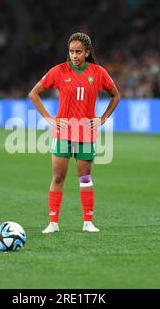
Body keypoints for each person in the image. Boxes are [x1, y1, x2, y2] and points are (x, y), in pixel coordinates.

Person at [28, 32, 121, 233]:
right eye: (71, 52)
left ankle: (88, 222)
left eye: (78, 52)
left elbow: (116, 95)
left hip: (86, 133)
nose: (74, 55)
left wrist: (102, 118)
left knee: (85, 178)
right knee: (58, 177)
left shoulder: (98, 73)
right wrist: (49, 118)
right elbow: (33, 93)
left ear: (87, 52)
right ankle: (53, 223)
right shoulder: (59, 71)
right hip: (63, 133)